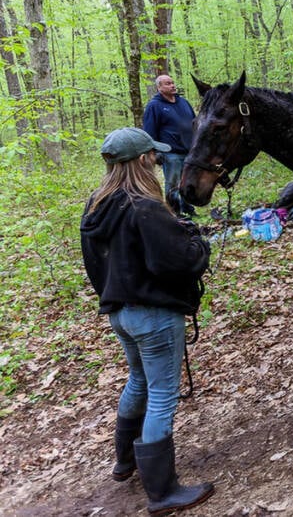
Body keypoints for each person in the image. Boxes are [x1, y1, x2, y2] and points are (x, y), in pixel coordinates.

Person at [80, 127, 215, 514]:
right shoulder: (144, 206)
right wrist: (198, 246)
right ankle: (163, 492)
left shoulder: (96, 206)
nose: (156, 161)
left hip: (120, 313)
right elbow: (175, 263)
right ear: (141, 161)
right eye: (152, 156)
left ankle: (125, 462)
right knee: (161, 395)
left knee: (138, 380)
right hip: (153, 315)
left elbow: (96, 267)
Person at [143, 75, 197, 216]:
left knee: (188, 181)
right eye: (168, 84)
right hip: (170, 152)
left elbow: (195, 123)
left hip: (189, 150)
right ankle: (174, 211)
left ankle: (187, 208)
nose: (172, 85)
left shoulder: (183, 102)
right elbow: (149, 131)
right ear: (159, 87)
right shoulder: (154, 106)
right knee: (173, 183)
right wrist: (154, 152)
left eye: (173, 82)